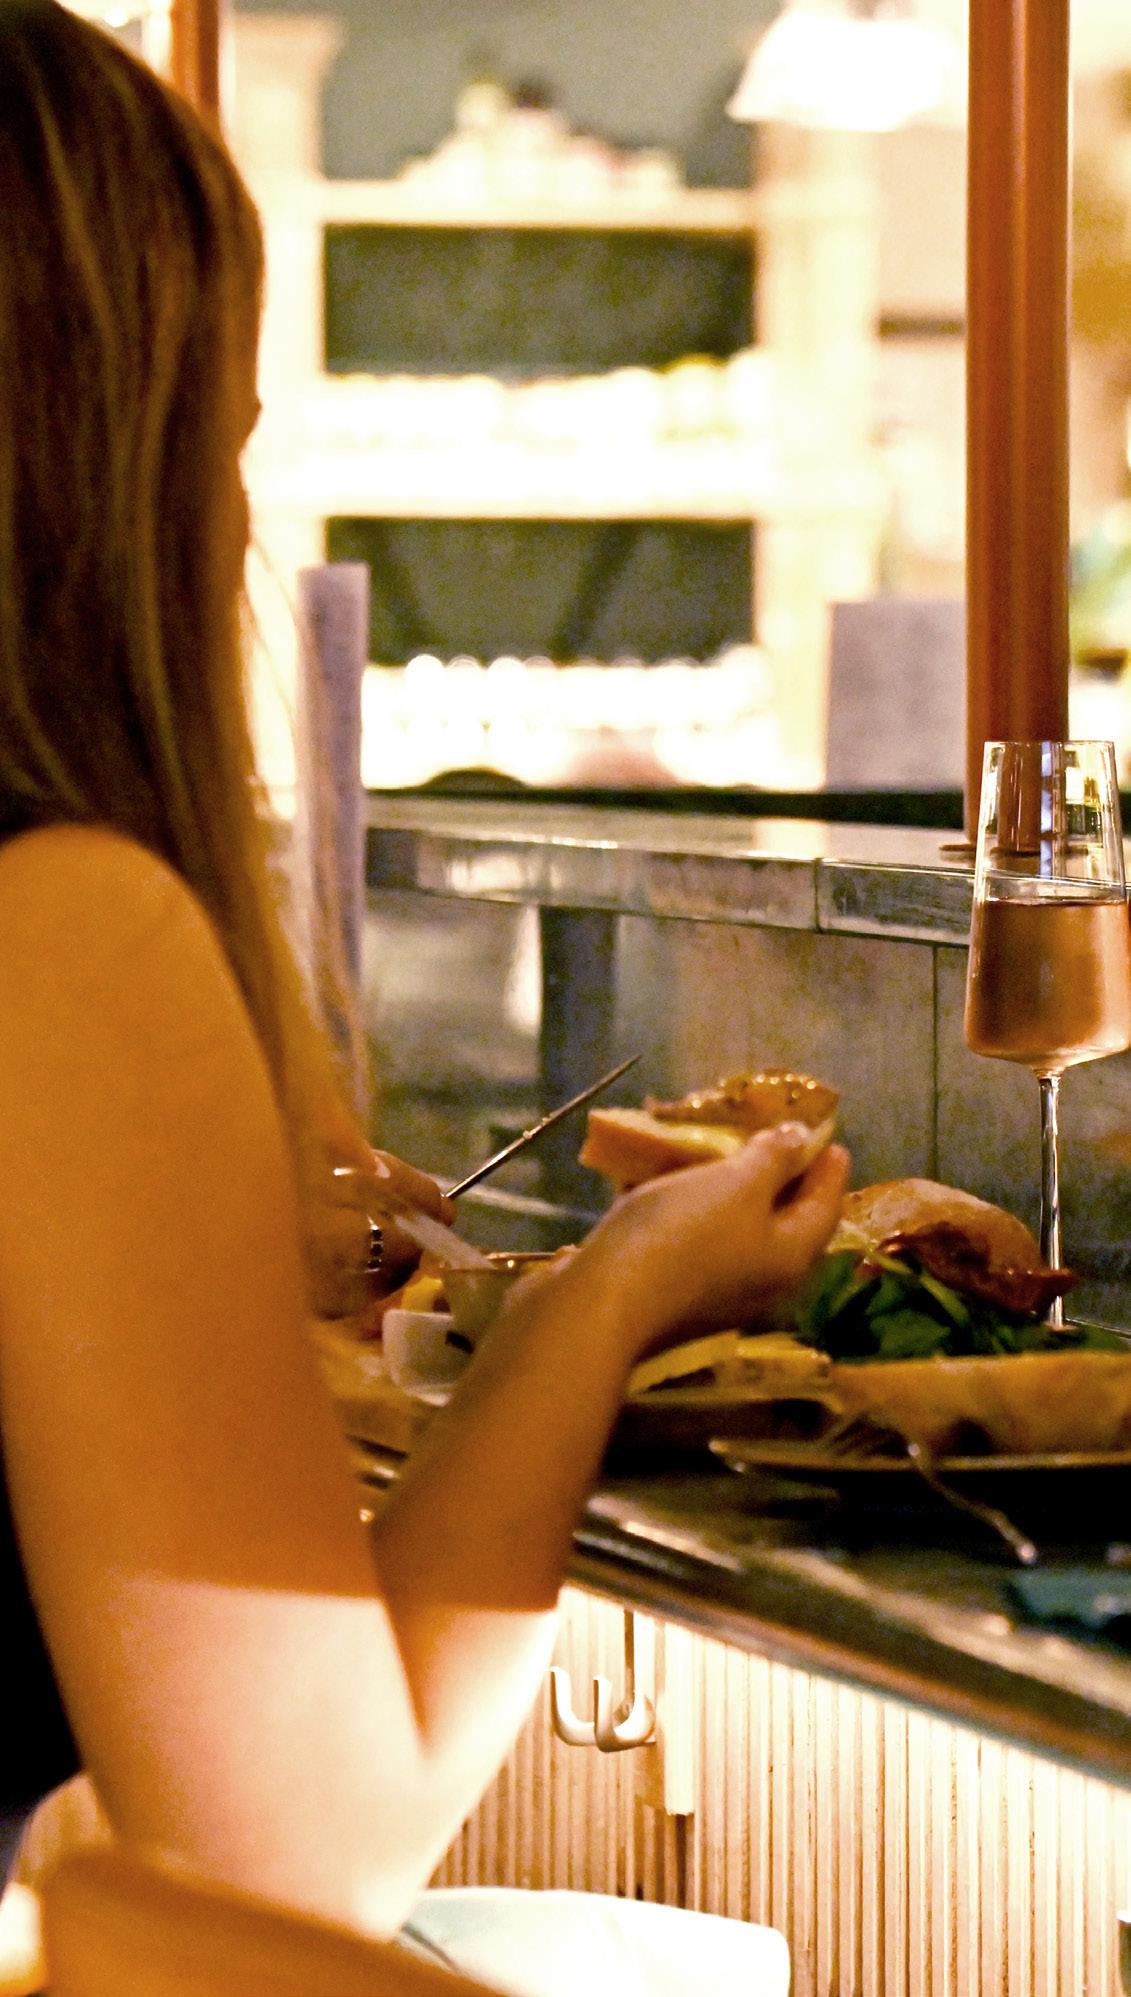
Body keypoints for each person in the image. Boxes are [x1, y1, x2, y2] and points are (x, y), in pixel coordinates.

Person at [0, 0, 849, 1946]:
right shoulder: (63, 917)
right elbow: (303, 1857)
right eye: (223, 442)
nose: (233, 524)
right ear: (97, 461)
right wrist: (607, 1298)